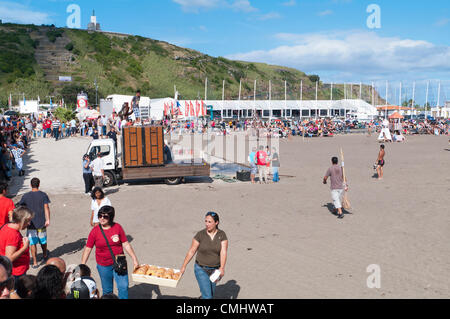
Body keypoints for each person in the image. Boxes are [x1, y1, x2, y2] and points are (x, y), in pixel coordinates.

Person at [81, 206, 139, 299]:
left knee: (123, 287)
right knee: (107, 290)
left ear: (111, 217)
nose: (102, 218)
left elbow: (126, 244)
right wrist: (82, 265)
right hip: (103, 265)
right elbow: (88, 248)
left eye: (105, 216)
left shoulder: (118, 227)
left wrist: (134, 259)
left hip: (119, 262)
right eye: (100, 216)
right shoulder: (95, 231)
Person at [180, 211, 228, 299]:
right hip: (201, 269)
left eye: (209, 222)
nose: (207, 224)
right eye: (206, 221)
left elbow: (223, 252)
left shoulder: (222, 235)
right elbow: (192, 251)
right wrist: (184, 266)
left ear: (216, 222)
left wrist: (222, 268)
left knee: (210, 295)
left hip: (215, 270)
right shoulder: (200, 235)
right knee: (207, 297)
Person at [18, 177, 51, 268]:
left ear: (30, 185)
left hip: (30, 224)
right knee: (43, 240)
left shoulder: (25, 196)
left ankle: (35, 262)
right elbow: (46, 207)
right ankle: (44, 255)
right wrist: (48, 219)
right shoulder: (43, 195)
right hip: (41, 223)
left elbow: (20, 208)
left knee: (32, 243)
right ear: (39, 184)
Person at [0, 207, 33, 285]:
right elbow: (9, 258)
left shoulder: (7, 225)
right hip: (16, 272)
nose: (29, 224)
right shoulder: (13, 234)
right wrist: (24, 247)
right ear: (22, 221)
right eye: (28, 221)